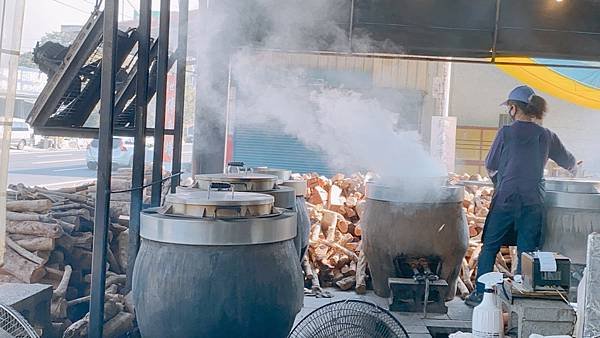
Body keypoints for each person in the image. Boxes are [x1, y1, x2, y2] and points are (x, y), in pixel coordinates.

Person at [464, 85, 578, 307]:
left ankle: (481, 294)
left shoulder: (506, 133)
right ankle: (520, 297)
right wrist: (576, 170)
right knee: (527, 251)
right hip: (533, 201)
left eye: (510, 107)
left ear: (514, 109)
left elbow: (491, 165)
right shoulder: (547, 136)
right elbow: (570, 163)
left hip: (506, 198)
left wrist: (501, 185)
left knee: (489, 246)